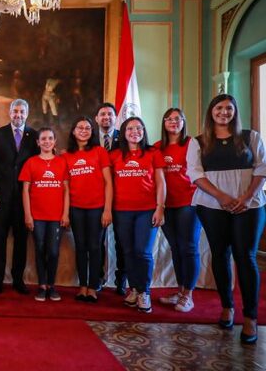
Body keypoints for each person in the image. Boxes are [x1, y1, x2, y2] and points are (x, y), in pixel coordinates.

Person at [187, 94, 266, 344]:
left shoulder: (250, 137)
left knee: (246, 257)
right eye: (219, 108)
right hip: (212, 204)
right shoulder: (199, 142)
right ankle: (227, 306)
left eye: (229, 108)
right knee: (219, 254)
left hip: (249, 205)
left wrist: (246, 197)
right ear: (211, 112)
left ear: (235, 111)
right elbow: (195, 174)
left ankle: (251, 317)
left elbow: (262, 167)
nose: (224, 112)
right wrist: (221, 196)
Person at [111, 117, 166, 313]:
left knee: (143, 251)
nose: (134, 131)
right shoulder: (115, 155)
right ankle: (133, 288)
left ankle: (144, 292)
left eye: (138, 128)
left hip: (147, 210)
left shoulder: (153, 153)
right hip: (121, 211)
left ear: (143, 131)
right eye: (130, 128)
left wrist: (160, 207)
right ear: (123, 133)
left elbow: (161, 182)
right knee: (128, 252)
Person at [0, 98, 39, 294]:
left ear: (27, 114)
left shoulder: (34, 136)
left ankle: (18, 280)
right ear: (10, 113)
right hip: (0, 197)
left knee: (21, 241)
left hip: (24, 199)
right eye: (15, 111)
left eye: (21, 112)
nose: (18, 115)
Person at [154, 108, 200, 313]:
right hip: (166, 205)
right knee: (176, 247)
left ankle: (188, 295)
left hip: (188, 202)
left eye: (177, 119)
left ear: (183, 122)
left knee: (188, 247)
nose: (173, 122)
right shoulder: (157, 147)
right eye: (169, 119)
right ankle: (180, 291)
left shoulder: (192, 144)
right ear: (163, 124)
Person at [63, 117, 112, 303]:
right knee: (81, 247)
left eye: (88, 128)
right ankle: (82, 286)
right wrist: (66, 213)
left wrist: (107, 209)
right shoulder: (66, 156)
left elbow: (108, 183)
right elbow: (65, 187)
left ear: (92, 132)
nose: (84, 130)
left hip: (97, 208)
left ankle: (93, 287)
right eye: (80, 127)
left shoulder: (99, 152)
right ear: (73, 131)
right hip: (76, 208)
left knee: (95, 247)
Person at [20, 127, 69, 302]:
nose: (47, 141)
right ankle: (42, 286)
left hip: (56, 217)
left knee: (53, 252)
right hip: (37, 217)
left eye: (50, 138)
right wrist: (28, 215)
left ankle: (52, 285)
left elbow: (66, 190)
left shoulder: (62, 162)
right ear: (38, 142)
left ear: (55, 141)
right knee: (40, 249)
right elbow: (25, 191)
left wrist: (66, 214)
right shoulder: (31, 162)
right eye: (43, 139)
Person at [94, 102, 125, 295]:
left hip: (122, 196)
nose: (106, 117)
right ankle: (97, 277)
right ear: (97, 119)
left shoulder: (125, 137)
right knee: (98, 240)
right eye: (102, 114)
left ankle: (121, 280)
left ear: (115, 118)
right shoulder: (90, 139)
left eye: (110, 114)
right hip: (98, 196)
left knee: (121, 241)